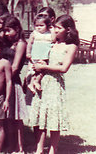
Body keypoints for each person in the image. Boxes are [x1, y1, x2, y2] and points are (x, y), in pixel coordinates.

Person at [29, 15, 78, 154]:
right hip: (43, 81)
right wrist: (40, 67)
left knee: (53, 117)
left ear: (68, 29)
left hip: (55, 83)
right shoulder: (52, 43)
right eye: (54, 27)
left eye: (59, 28)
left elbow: (63, 68)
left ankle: (53, 149)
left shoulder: (71, 46)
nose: (55, 30)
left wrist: (44, 67)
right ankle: (39, 149)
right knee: (40, 116)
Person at [2, 16, 28, 153]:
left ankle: (20, 148)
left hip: (12, 82)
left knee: (16, 118)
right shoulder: (5, 43)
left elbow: (15, 67)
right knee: (7, 118)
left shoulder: (21, 43)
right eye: (4, 31)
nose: (6, 34)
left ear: (17, 29)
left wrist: (4, 80)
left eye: (8, 30)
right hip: (4, 82)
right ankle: (10, 145)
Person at [26, 15, 53, 92]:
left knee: (42, 70)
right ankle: (31, 84)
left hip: (45, 56)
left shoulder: (49, 34)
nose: (38, 27)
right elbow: (29, 44)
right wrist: (28, 52)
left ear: (47, 26)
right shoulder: (34, 33)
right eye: (36, 25)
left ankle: (36, 81)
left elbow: (53, 40)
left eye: (41, 25)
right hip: (35, 55)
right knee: (33, 70)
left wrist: (52, 29)